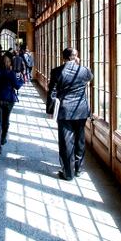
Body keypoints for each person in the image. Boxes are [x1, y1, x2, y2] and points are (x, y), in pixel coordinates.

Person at [46, 47, 93, 180]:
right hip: (81, 110)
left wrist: (50, 110)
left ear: (63, 57)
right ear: (76, 56)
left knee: (66, 141)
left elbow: (52, 92)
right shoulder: (84, 70)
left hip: (65, 110)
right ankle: (78, 168)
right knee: (80, 139)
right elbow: (91, 77)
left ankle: (68, 172)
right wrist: (78, 64)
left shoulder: (57, 71)